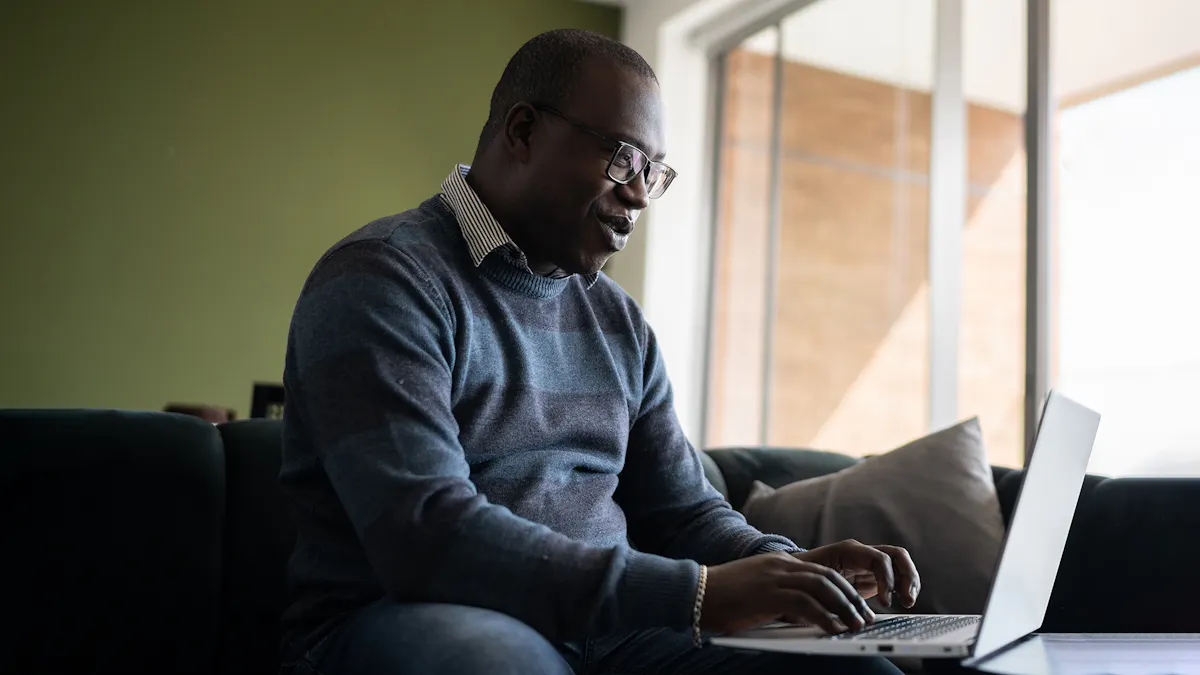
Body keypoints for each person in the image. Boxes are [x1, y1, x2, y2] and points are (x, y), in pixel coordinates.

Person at [278, 27, 920, 675]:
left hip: (613, 635)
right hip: (411, 618)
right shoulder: (382, 278)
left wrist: (786, 567)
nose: (639, 194)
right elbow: (426, 535)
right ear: (523, 132)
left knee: (854, 668)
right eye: (622, 159)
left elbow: (683, 511)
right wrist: (696, 594)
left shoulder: (619, 323)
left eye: (653, 171)